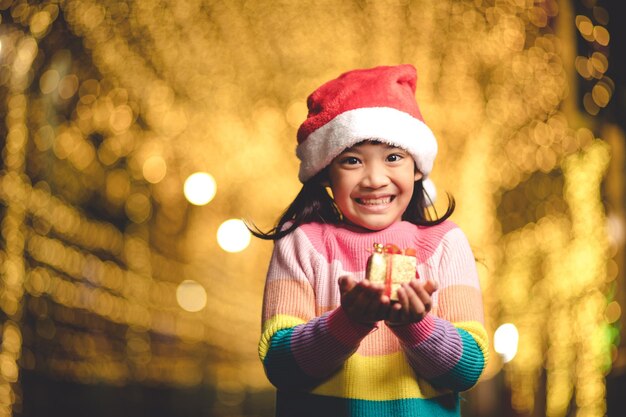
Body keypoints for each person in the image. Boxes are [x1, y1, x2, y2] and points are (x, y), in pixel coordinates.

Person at [252, 64, 488, 417]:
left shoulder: (445, 243)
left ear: (417, 167)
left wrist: (415, 323)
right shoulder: (302, 242)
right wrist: (348, 321)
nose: (375, 179)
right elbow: (281, 367)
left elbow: (467, 371)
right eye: (352, 161)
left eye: (393, 157)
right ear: (326, 174)